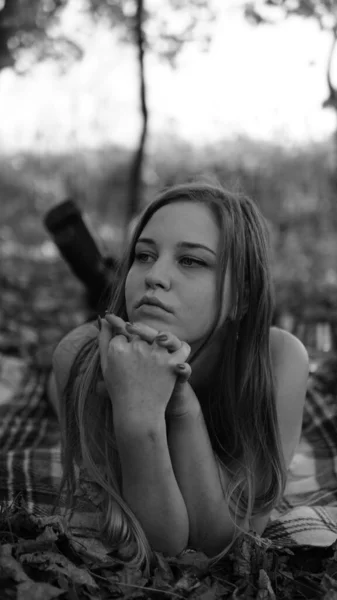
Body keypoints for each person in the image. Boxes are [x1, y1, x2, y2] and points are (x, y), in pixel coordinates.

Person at [51, 180, 309, 576]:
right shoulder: (79, 357)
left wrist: (180, 401)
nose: (154, 275)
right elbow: (162, 543)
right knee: (55, 377)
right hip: (71, 376)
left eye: (191, 261)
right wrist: (137, 416)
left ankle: (99, 279)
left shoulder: (279, 360)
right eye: (143, 255)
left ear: (241, 294)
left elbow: (230, 541)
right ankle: (100, 283)